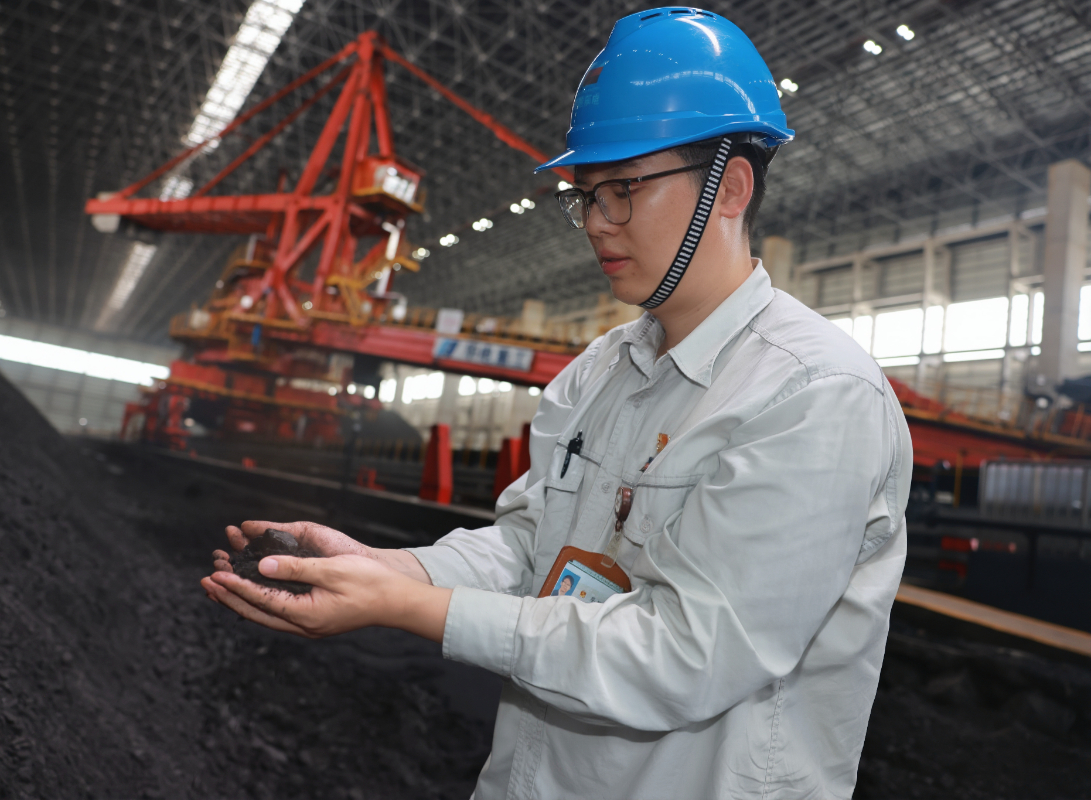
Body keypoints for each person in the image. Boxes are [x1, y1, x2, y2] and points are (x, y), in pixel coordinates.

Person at [204, 7, 911, 798]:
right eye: (584, 197)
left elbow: (686, 655)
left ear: (731, 187)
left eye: (622, 191)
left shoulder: (815, 394)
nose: (597, 225)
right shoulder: (599, 372)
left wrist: (407, 606)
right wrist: (387, 566)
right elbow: (527, 548)